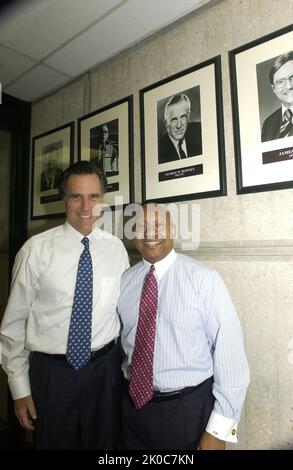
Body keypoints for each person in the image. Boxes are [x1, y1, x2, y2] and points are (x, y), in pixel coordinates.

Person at [0, 160, 129, 450]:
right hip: (52, 377)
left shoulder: (116, 249)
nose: (86, 206)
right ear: (64, 198)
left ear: (103, 200)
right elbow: (13, 325)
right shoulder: (35, 251)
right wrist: (19, 390)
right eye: (76, 196)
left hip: (104, 374)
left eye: (93, 196)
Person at [117, 203, 250, 450]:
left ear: (173, 229)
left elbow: (232, 361)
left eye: (158, 225)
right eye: (141, 227)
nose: (150, 233)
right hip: (132, 412)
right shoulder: (125, 281)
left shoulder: (204, 280)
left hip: (187, 412)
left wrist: (218, 432)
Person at [158, 93, 202, 164]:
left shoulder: (200, 131)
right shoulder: (159, 150)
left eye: (182, 117)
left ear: (188, 116)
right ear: (166, 123)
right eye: (174, 119)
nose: (179, 125)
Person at [261, 51, 293, 142]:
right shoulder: (268, 124)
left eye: (292, 77)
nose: (289, 86)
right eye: (280, 82)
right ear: (273, 88)